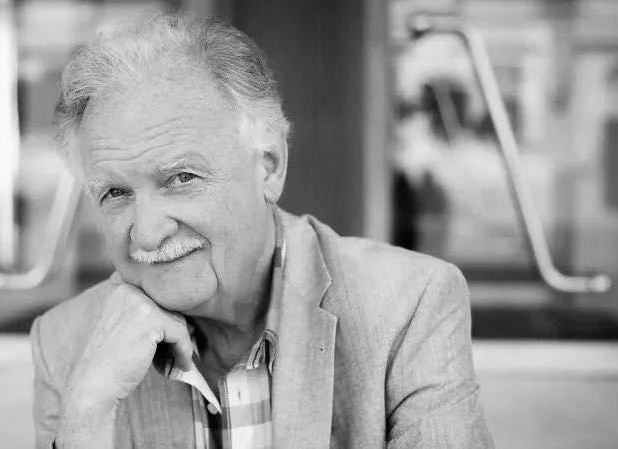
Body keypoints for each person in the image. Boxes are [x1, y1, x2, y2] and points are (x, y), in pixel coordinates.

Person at [31, 13, 493, 449]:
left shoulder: (408, 304)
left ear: (269, 167)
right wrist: (86, 415)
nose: (147, 234)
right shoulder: (66, 343)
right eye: (115, 193)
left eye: (181, 178)